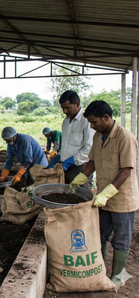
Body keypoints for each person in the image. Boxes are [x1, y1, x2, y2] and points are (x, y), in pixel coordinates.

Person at [69, 100, 138, 289]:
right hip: (102, 198)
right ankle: (100, 271)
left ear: (106, 118)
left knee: (121, 239)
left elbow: (126, 170)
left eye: (94, 122)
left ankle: (118, 276)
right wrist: (81, 177)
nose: (91, 126)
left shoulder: (125, 137)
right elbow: (92, 161)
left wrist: (107, 193)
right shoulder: (98, 137)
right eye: (90, 123)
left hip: (123, 199)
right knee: (100, 235)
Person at [55, 90, 94, 190]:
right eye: (63, 108)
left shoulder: (86, 121)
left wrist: (71, 161)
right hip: (66, 169)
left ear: (77, 104)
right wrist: (58, 156)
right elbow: (65, 144)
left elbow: (89, 148)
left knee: (82, 198)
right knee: (67, 196)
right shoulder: (66, 122)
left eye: (68, 108)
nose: (65, 111)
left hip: (81, 168)